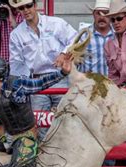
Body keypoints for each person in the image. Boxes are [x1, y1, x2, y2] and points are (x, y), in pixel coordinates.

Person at [9, 0, 77, 140]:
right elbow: (16, 64)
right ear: (19, 11)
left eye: (28, 6)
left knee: (66, 119)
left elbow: (75, 38)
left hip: (59, 76)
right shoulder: (16, 34)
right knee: (40, 124)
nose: (26, 10)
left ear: (35, 6)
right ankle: (45, 158)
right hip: (37, 81)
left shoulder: (56, 23)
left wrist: (64, 54)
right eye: (22, 7)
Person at [80, 0, 113, 76]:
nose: (102, 17)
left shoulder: (118, 35)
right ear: (93, 14)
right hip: (90, 85)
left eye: (106, 13)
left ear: (111, 15)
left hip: (112, 85)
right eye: (98, 13)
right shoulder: (83, 36)